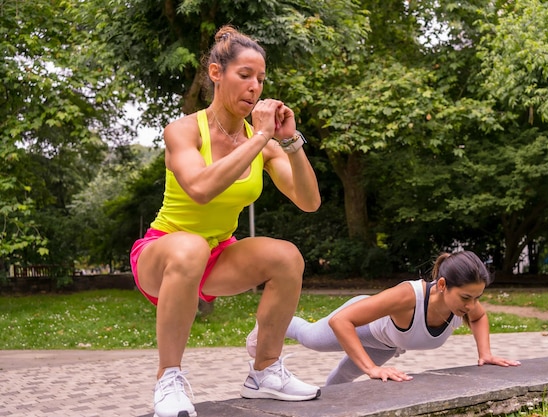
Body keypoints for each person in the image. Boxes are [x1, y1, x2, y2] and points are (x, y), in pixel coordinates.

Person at [130, 25, 322, 417]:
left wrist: (289, 141)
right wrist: (260, 139)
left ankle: (264, 372)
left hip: (218, 255)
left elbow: (309, 201)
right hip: (164, 253)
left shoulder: (264, 143)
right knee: (191, 246)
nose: (255, 87)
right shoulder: (183, 131)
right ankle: (168, 379)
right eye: (245, 75)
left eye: (261, 79)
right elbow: (200, 189)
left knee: (287, 257)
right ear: (217, 74)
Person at [247, 251, 521, 386]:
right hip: (361, 321)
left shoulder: (464, 304)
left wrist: (485, 353)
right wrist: (372, 369)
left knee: (343, 379)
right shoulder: (407, 296)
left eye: (476, 297)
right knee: (311, 338)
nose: (472, 305)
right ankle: (270, 325)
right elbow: (340, 322)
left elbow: (479, 318)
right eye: (466, 298)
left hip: (387, 343)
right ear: (441, 285)